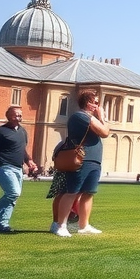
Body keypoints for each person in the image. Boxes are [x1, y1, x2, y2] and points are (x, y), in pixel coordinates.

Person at [53, 91, 110, 236]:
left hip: (94, 160)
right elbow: (104, 132)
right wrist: (102, 117)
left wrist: (100, 119)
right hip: (81, 159)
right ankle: (61, 225)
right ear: (87, 103)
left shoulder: (90, 118)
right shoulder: (80, 116)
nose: (97, 106)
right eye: (95, 102)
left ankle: (84, 225)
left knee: (88, 193)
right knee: (72, 192)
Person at [0, 106, 38, 233]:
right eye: (15, 115)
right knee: (13, 193)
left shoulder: (22, 132)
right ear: (8, 116)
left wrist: (29, 161)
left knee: (13, 197)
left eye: (20, 115)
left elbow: (22, 150)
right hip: (3, 166)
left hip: (18, 168)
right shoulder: (0, 132)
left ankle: (3, 224)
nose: (18, 117)